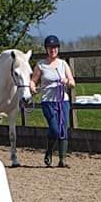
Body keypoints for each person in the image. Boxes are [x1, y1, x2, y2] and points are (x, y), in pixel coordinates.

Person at [31, 34, 76, 168]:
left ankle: (62, 159)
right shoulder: (41, 65)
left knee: (63, 129)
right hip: (48, 101)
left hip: (62, 101)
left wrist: (66, 81)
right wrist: (32, 87)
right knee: (55, 129)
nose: (53, 50)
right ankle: (49, 151)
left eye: (55, 47)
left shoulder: (63, 64)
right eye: (50, 48)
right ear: (46, 49)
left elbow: (73, 83)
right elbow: (33, 81)